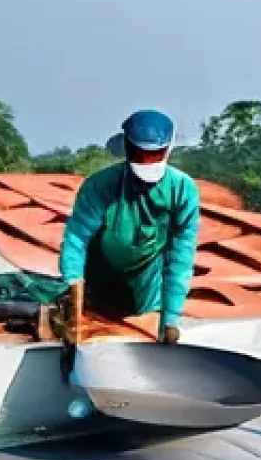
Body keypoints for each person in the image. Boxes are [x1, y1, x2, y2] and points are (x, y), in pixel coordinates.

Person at [56, 109, 201, 345]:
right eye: (140, 153)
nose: (147, 161)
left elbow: (180, 257)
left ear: (168, 149)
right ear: (127, 146)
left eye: (155, 154)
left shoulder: (182, 190)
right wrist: (74, 289)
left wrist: (171, 321)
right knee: (92, 329)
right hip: (101, 270)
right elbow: (76, 238)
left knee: (140, 335)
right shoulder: (100, 186)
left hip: (147, 276)